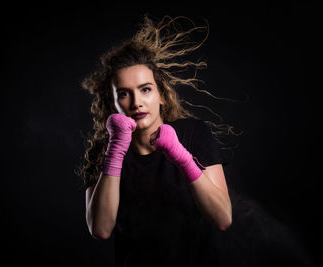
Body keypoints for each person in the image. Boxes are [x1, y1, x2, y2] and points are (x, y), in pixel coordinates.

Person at [75, 15, 316, 267]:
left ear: (162, 96)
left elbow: (223, 218)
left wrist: (180, 154)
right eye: (123, 94)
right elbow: (100, 229)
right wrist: (115, 151)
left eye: (145, 89)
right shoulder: (103, 152)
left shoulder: (193, 134)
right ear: (111, 103)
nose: (136, 102)